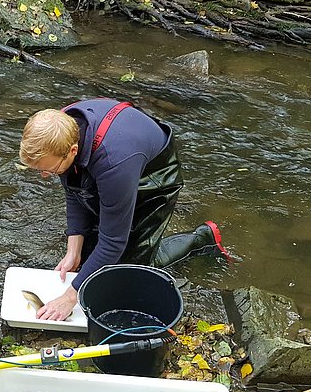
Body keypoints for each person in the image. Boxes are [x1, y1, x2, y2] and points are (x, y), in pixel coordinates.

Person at [19, 99, 227, 321]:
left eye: (49, 170)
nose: (44, 176)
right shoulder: (60, 129)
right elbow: (73, 188)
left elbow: (113, 242)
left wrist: (70, 297)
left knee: (127, 270)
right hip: (119, 159)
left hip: (153, 175)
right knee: (88, 258)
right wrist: (73, 250)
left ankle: (202, 239)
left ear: (72, 150)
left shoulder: (113, 163)